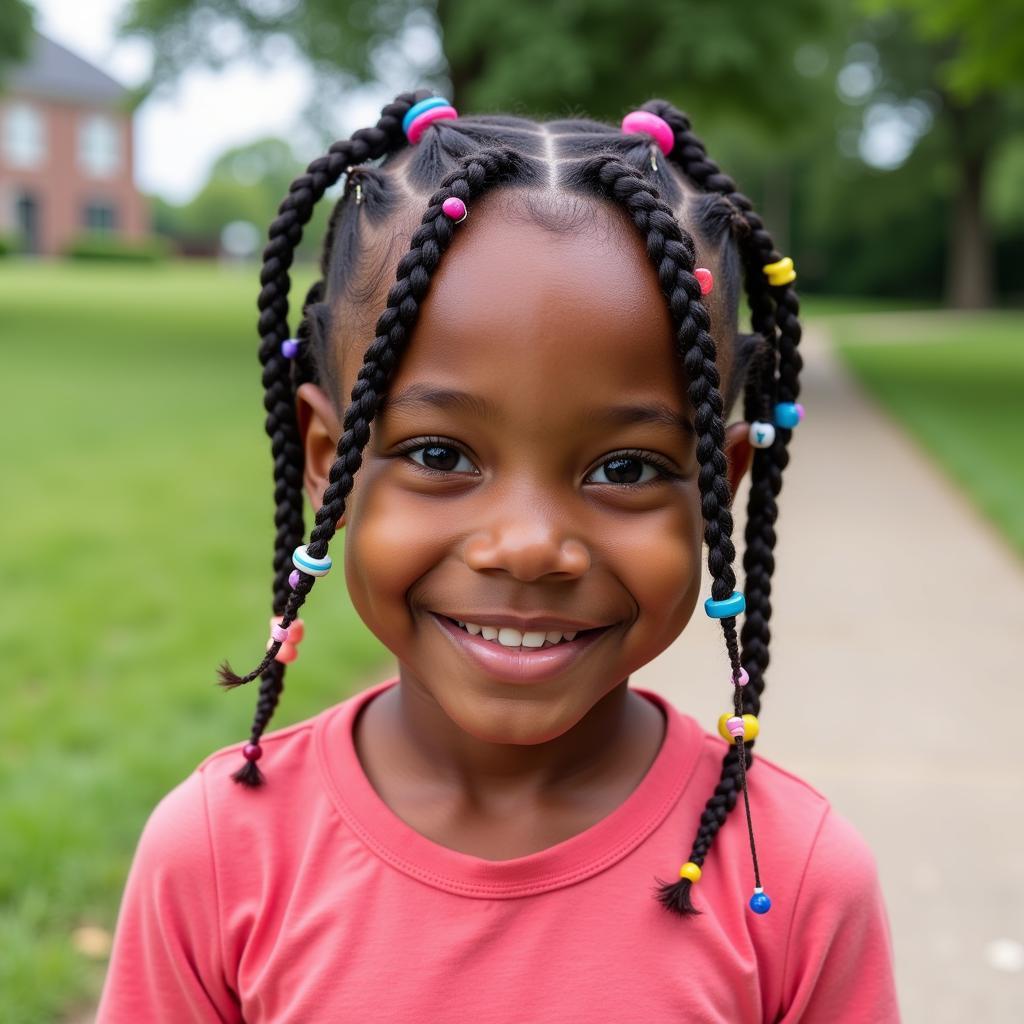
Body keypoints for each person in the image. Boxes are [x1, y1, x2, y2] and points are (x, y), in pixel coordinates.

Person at [97, 93, 899, 1022]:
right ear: (331, 462)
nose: (528, 547)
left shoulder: (791, 880)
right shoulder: (217, 855)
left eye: (626, 468)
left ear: (716, 486)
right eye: (441, 455)